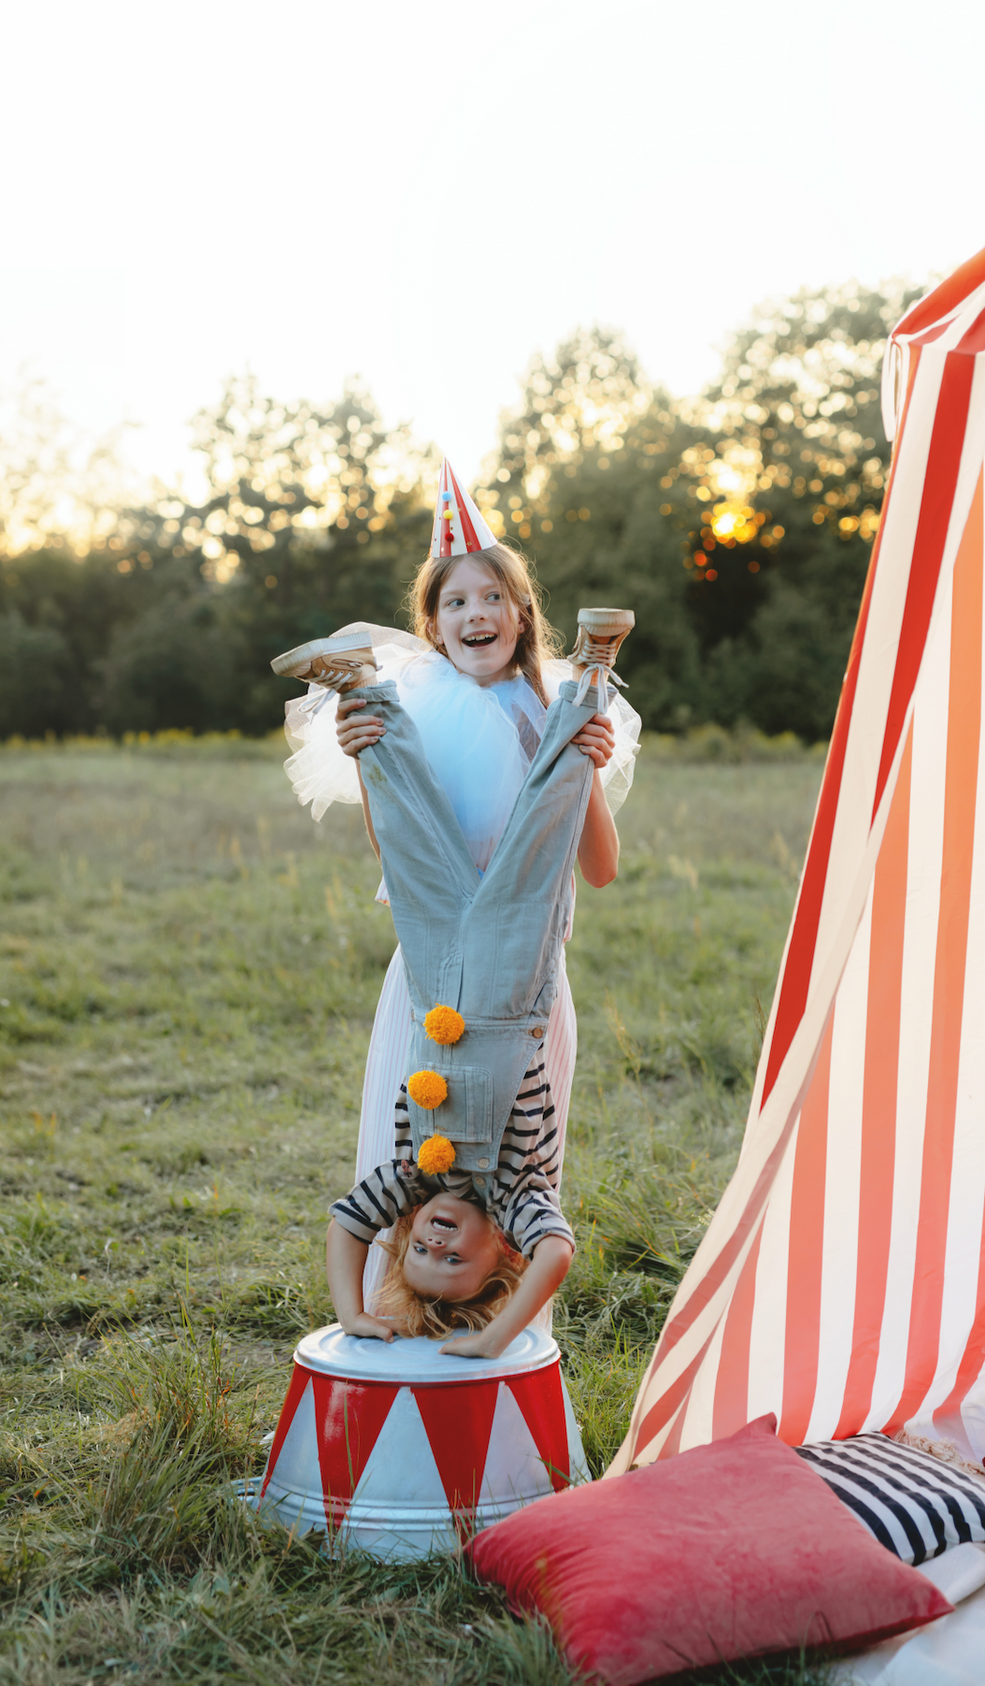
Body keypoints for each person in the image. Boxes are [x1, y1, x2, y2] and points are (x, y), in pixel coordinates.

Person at [275, 459, 638, 1331]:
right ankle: (394, 1314)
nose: (477, 613)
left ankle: (500, 1322)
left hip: (524, 974)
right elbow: (399, 857)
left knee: (520, 1157)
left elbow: (599, 869)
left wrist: (582, 768)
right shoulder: (421, 710)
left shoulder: (544, 713)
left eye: (493, 597)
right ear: (433, 626)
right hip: (433, 968)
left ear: (522, 614)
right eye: (456, 602)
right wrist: (371, 761)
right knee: (411, 1137)